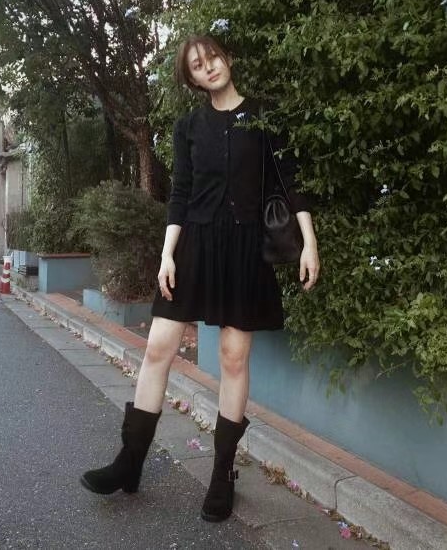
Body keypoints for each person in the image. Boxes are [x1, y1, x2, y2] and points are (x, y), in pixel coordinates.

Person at [80, 34, 320, 522]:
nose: (208, 67)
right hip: (195, 247)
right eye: (197, 65)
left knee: (232, 357)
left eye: (212, 57)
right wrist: (167, 255)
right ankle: (129, 461)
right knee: (157, 347)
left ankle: (222, 474)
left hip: (245, 250)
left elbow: (290, 181)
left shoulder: (264, 116)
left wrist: (309, 242)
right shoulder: (188, 126)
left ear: (226, 58)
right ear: (191, 79)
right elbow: (181, 194)